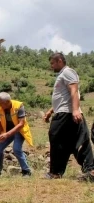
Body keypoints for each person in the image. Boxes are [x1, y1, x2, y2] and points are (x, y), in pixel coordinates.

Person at [44, 52, 94, 181]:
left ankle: (57, 172)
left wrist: (76, 110)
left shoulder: (68, 72)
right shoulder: (62, 74)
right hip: (64, 112)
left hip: (68, 113)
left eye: (53, 63)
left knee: (57, 138)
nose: (51, 66)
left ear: (60, 60)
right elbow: (63, 97)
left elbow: (74, 91)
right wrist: (50, 111)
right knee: (72, 142)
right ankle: (88, 170)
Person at [0, 92, 32, 177]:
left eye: (0, 103)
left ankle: (26, 171)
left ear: (7, 102)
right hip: (6, 131)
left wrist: (7, 134)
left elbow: (21, 124)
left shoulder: (19, 106)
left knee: (16, 149)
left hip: (19, 131)